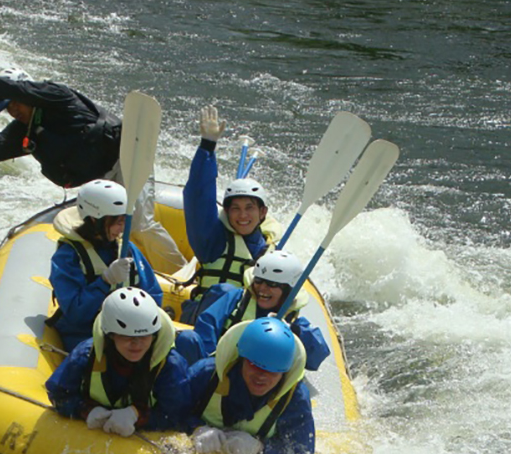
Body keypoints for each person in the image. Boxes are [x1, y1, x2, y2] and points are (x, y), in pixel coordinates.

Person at [0, 60, 186, 271]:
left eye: (14, 102)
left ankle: (178, 273)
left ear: (27, 93)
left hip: (125, 159)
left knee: (138, 222)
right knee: (102, 231)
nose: (12, 110)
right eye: (6, 107)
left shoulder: (57, 97)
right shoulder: (22, 133)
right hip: (100, 181)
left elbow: (19, 89)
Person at [180, 105, 280, 323]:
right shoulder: (212, 241)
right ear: (226, 211)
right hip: (203, 325)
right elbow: (198, 196)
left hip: (240, 330)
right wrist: (207, 147)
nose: (242, 215)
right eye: (235, 208)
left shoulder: (270, 250)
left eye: (249, 208)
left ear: (262, 213)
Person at [46, 287, 190, 436]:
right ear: (111, 335)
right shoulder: (86, 355)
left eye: (145, 336)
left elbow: (177, 416)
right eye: (126, 336)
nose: (136, 344)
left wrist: (138, 416)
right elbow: (58, 394)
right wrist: (86, 410)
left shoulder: (171, 366)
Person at [47, 179, 163, 352]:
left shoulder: (126, 249)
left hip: (130, 332)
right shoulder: (68, 256)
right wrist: (105, 281)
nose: (122, 228)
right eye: (117, 222)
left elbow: (153, 293)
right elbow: (75, 313)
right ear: (94, 220)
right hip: (85, 335)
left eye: (124, 221)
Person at [187, 317, 315, 454]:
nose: (261, 376)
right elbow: (170, 411)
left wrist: (260, 450)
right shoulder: (205, 374)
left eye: (273, 371)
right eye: (255, 365)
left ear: (284, 373)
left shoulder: (295, 398)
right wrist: (195, 428)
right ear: (242, 359)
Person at [175, 249, 330, 370]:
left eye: (272, 284)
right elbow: (206, 326)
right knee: (188, 339)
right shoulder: (234, 298)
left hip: (259, 379)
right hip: (217, 366)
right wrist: (213, 366)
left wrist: (293, 331)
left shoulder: (295, 322)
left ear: (288, 290)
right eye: (259, 280)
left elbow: (317, 357)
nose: (262, 288)